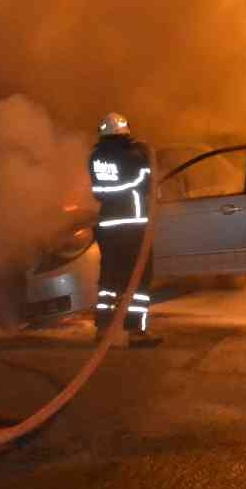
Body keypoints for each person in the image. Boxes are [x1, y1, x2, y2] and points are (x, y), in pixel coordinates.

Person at [88, 112, 161, 348]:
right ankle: (136, 332)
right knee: (138, 281)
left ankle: (103, 330)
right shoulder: (134, 156)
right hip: (132, 226)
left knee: (109, 281)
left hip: (108, 227)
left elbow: (99, 191)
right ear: (125, 132)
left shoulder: (95, 157)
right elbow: (147, 182)